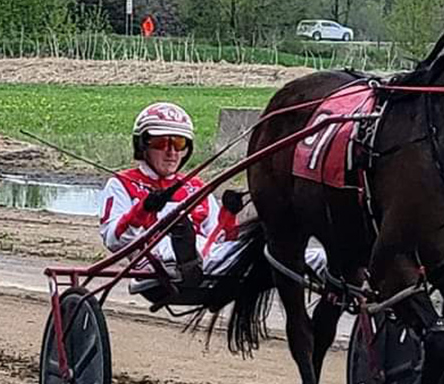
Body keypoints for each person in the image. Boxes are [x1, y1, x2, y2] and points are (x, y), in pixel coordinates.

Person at [98, 102, 325, 286]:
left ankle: (330, 268)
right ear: (143, 145)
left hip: (209, 257)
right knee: (198, 244)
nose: (171, 152)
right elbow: (114, 240)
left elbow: (218, 238)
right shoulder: (121, 184)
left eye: (178, 143)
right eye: (161, 142)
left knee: (276, 250)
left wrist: (228, 216)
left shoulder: (194, 187)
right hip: (157, 259)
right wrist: (144, 210)